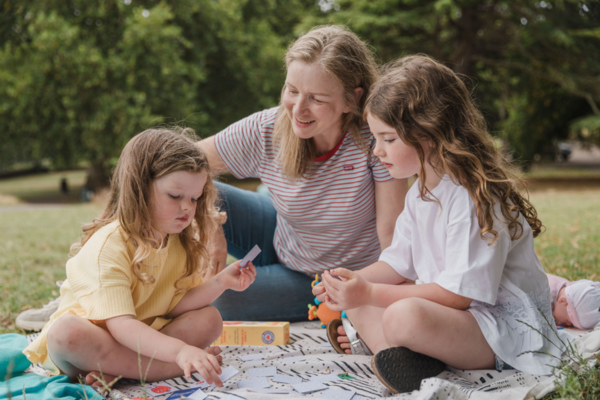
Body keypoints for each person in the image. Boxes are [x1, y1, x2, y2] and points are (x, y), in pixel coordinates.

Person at [314, 55, 569, 394]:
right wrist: (351, 282)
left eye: (388, 139)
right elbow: (397, 263)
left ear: (428, 134)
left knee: (400, 315)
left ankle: (412, 357)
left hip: (501, 330)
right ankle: (408, 360)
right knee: (358, 302)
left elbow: (460, 295)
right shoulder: (420, 193)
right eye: (375, 139)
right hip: (456, 321)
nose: (377, 151)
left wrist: (372, 292)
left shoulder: (472, 197)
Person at [197, 25, 408, 321]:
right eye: (292, 91)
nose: (298, 109)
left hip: (327, 278)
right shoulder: (267, 127)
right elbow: (183, 160)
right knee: (207, 195)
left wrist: (381, 294)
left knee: (216, 300)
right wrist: (210, 222)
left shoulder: (376, 139)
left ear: (351, 99)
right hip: (281, 235)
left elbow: (392, 236)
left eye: (317, 99)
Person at [23, 128, 257, 388]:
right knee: (65, 333)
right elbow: (123, 326)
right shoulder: (109, 246)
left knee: (211, 319)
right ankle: (162, 369)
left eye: (194, 198)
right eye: (175, 196)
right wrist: (180, 353)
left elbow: (174, 306)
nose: (187, 207)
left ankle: (121, 371)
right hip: (96, 342)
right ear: (139, 188)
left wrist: (221, 282)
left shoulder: (179, 239)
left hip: (146, 338)